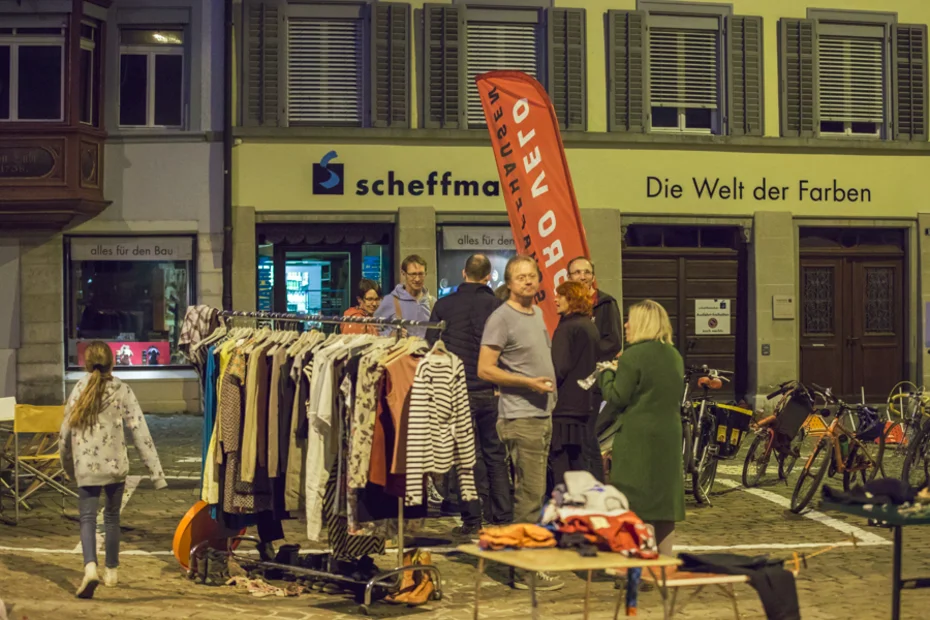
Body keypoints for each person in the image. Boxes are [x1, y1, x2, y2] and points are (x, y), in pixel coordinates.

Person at [478, 254, 562, 591]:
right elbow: (485, 368)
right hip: (520, 416)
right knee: (528, 495)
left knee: (535, 492)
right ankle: (524, 569)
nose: (527, 281)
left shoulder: (537, 312)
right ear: (509, 283)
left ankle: (523, 561)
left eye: (532, 276)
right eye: (520, 277)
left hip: (541, 415)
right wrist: (527, 383)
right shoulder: (501, 317)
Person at [60, 341, 167, 599]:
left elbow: (64, 433)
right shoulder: (122, 390)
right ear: (113, 362)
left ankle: (89, 568)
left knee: (87, 519)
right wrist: (156, 473)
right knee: (111, 519)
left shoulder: (78, 389)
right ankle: (112, 571)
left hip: (86, 467)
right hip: (116, 466)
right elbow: (140, 430)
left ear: (86, 363)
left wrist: (67, 467)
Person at [427, 254, 509, 534]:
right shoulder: (498, 307)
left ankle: (472, 520)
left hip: (457, 392)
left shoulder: (443, 305)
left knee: (465, 458)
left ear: (464, 273)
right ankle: (502, 516)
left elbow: (431, 348)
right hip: (490, 390)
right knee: (495, 454)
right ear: (488, 276)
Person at [598, 300, 684, 558]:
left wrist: (606, 373)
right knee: (664, 506)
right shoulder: (674, 355)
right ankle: (665, 566)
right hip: (668, 436)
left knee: (637, 503)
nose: (625, 325)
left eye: (630, 320)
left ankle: (638, 568)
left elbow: (616, 397)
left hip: (638, 438)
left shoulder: (633, 356)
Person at [567, 256, 623, 478]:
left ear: (593, 276)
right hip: (573, 380)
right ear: (569, 277)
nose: (582, 276)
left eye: (586, 272)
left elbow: (614, 342)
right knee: (580, 435)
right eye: (577, 272)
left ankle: (597, 484)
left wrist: (585, 354)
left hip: (595, 378)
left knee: (588, 434)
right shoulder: (568, 305)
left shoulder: (605, 303)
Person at [549, 280, 600, 488]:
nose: (555, 299)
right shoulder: (589, 326)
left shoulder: (567, 328)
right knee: (579, 463)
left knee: (561, 465)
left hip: (563, 406)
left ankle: (565, 511)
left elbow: (558, 367)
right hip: (583, 403)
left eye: (560, 296)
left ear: (571, 299)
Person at [374, 254, 436, 338]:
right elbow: (375, 329)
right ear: (404, 273)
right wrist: (390, 334)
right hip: (402, 350)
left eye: (421, 274)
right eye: (413, 274)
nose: (417, 279)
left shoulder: (432, 302)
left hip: (427, 350)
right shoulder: (391, 301)